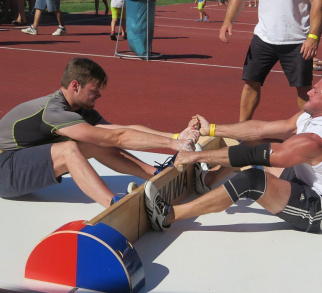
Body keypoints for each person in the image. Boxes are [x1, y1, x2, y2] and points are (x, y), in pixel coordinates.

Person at [144, 69, 322, 233]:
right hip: (305, 178)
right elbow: (260, 129)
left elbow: (258, 156)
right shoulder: (316, 116)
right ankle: (207, 181)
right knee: (252, 143)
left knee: (253, 179)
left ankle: (168, 216)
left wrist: (196, 156)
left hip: (319, 208)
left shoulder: (319, 140)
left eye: (316, 91)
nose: (309, 91)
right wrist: (210, 129)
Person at [0, 57, 199, 208]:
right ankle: (113, 204)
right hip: (4, 171)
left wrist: (174, 137)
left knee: (95, 141)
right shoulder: (54, 112)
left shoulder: (79, 110)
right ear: (75, 85)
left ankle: (153, 174)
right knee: (69, 149)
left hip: (19, 163)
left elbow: (121, 130)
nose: (99, 95)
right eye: (94, 90)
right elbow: (118, 137)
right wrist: (173, 145)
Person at [219, 0, 322, 122]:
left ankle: (312, 127)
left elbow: (318, 3)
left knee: (303, 88)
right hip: (263, 37)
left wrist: (313, 37)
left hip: (297, 40)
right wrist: (228, 21)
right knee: (250, 83)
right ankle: (242, 127)